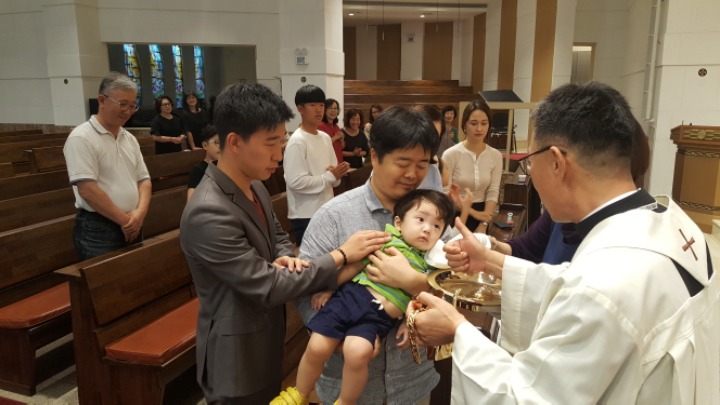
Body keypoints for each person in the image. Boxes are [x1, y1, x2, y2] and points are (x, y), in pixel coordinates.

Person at [409, 82, 720, 404]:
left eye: (532, 161)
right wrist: (489, 260)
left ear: (556, 162)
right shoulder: (670, 222)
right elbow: (571, 284)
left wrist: (459, 331)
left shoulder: (601, 287)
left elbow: (526, 398)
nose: (532, 173)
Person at [179, 83, 392, 404]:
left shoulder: (254, 185)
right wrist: (341, 255)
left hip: (264, 339)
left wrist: (285, 257)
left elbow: (278, 236)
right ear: (234, 142)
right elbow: (267, 285)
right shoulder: (208, 210)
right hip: (236, 357)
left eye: (281, 142)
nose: (279, 155)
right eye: (271, 144)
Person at [296, 106, 440, 404]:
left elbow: (449, 290)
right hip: (346, 388)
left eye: (422, 164)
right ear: (375, 156)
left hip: (411, 382)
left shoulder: (433, 218)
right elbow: (304, 294)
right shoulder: (333, 216)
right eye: (403, 163)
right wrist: (344, 341)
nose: (413, 174)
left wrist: (415, 283)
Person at [274, 189, 455, 405]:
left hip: (375, 319)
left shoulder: (432, 263)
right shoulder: (387, 242)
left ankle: (345, 401)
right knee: (317, 346)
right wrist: (330, 288)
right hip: (348, 301)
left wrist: (410, 322)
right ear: (398, 223)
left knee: (357, 353)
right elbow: (355, 266)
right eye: (420, 220)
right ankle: (299, 393)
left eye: (437, 226)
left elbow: (426, 297)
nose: (427, 229)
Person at [63, 71, 151, 260]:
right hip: (98, 228)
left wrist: (139, 215)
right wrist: (126, 221)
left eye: (132, 106)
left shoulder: (129, 138)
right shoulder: (81, 137)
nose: (128, 111)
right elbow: (87, 190)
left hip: (133, 221)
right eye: (123, 104)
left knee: (135, 274)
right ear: (102, 100)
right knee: (108, 278)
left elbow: (144, 180)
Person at [284, 85, 350, 246]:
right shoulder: (297, 141)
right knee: (312, 260)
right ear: (300, 109)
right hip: (305, 215)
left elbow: (335, 180)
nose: (318, 109)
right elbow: (295, 182)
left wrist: (336, 176)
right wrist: (330, 176)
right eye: (312, 105)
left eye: (321, 105)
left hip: (327, 208)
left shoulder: (325, 138)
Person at [441, 100, 502, 233]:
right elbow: (445, 193)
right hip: (455, 214)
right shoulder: (451, 154)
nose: (479, 128)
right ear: (464, 125)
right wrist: (473, 213)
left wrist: (483, 223)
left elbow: (493, 191)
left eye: (484, 123)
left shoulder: (495, 155)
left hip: (484, 214)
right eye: (473, 123)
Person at [186, 125, 220, 200]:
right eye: (217, 142)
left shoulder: (224, 168)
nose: (221, 147)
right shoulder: (198, 170)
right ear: (205, 145)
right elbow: (191, 201)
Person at [417, 105, 445, 193]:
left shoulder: (433, 170)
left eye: (435, 137)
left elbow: (437, 200)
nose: (429, 141)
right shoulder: (392, 165)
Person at [318, 98, 344, 165]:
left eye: (335, 108)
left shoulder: (336, 126)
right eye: (330, 108)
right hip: (327, 163)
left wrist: (342, 139)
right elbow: (320, 147)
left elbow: (341, 147)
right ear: (324, 110)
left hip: (338, 161)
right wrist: (335, 138)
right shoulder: (320, 126)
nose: (333, 111)